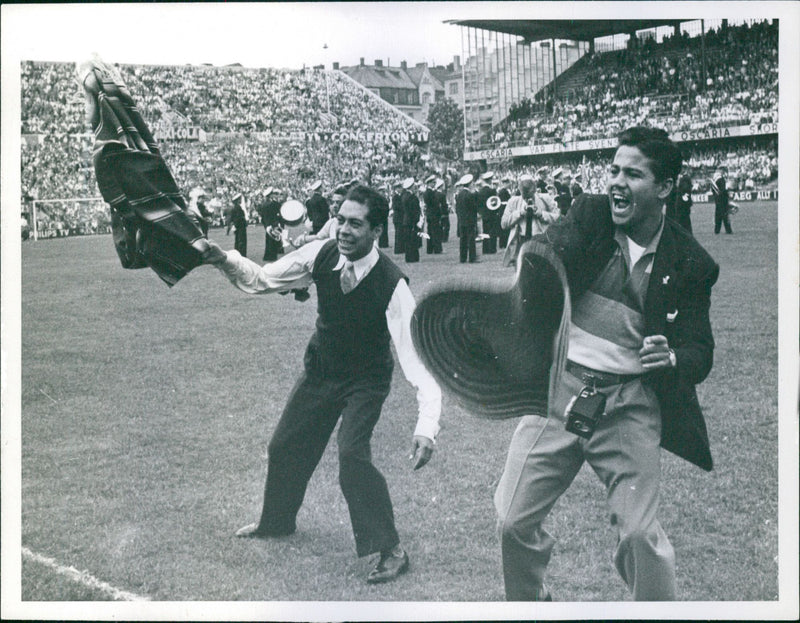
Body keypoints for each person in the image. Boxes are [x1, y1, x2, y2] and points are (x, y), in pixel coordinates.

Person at [494, 126, 719, 601]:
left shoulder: (691, 261)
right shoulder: (591, 214)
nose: (616, 181)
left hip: (628, 406)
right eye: (613, 169)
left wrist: (675, 356)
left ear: (664, 187)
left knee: (640, 536)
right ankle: (530, 606)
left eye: (632, 173)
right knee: (511, 519)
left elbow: (701, 348)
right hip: (560, 390)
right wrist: (539, 264)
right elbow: (554, 249)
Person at [201, 184, 442, 584]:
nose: (344, 231)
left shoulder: (392, 284)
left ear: (376, 231)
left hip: (365, 382)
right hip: (322, 370)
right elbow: (263, 279)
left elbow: (416, 360)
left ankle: (391, 548)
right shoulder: (320, 252)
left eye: (356, 224)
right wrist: (223, 259)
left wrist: (427, 427)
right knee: (283, 445)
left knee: (351, 454)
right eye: (341, 220)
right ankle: (277, 522)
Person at [501, 174, 559, 268]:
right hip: (521, 241)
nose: (528, 199)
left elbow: (559, 218)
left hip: (541, 240)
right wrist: (519, 213)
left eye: (531, 196)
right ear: (520, 191)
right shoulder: (513, 202)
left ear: (535, 190)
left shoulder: (545, 199)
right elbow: (504, 224)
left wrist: (542, 214)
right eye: (525, 197)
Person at [455, 174, 478, 264]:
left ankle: (462, 258)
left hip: (462, 220)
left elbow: (457, 208)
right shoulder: (470, 195)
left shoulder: (459, 195)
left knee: (463, 239)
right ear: (470, 184)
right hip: (470, 220)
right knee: (471, 239)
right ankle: (472, 257)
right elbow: (474, 207)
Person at [256, 187, 284, 262]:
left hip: (266, 224)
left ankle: (267, 255)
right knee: (273, 239)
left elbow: (261, 214)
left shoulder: (263, 204)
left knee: (268, 240)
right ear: (270, 195)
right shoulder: (272, 204)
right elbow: (279, 208)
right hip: (272, 223)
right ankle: (272, 256)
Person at [400, 178, 421, 263]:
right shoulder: (412, 197)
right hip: (411, 221)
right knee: (413, 240)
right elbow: (414, 210)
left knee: (408, 240)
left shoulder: (404, 196)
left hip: (406, 220)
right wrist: (416, 220)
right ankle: (413, 257)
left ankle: (409, 257)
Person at [668, 166, 694, 234]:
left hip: (683, 202)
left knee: (682, 219)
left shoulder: (685, 178)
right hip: (683, 202)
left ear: (684, 169)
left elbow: (685, 189)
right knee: (684, 219)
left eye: (682, 168)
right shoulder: (684, 178)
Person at [422, 176, 443, 255]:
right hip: (433, 214)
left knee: (430, 232)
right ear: (429, 183)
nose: (434, 184)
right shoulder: (429, 193)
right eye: (433, 183)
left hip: (431, 214)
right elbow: (434, 203)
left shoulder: (429, 192)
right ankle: (437, 249)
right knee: (435, 232)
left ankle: (430, 249)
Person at [711, 166, 733, 234]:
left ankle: (717, 230)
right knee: (725, 215)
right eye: (724, 170)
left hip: (717, 199)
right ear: (722, 170)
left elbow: (713, 190)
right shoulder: (721, 179)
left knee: (718, 216)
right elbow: (723, 190)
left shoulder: (715, 178)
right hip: (722, 199)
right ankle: (728, 230)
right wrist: (728, 193)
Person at [226, 193, 248, 257]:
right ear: (237, 200)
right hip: (240, 226)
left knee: (237, 240)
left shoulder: (235, 207)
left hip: (237, 226)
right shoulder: (238, 208)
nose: (241, 200)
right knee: (241, 241)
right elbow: (239, 218)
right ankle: (242, 254)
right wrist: (244, 221)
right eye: (239, 199)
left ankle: (238, 253)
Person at [391, 180, 405, 255]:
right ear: (396, 188)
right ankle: (398, 249)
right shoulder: (395, 197)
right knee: (398, 234)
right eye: (399, 187)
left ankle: (401, 248)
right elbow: (396, 206)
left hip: (400, 217)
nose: (401, 189)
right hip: (398, 217)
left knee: (401, 233)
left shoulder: (400, 196)